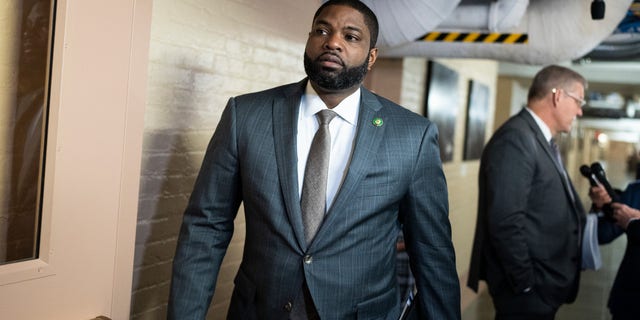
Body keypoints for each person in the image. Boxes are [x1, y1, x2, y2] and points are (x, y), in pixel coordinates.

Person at [168, 1, 460, 319]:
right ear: (309, 40)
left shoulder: (411, 136)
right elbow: (206, 227)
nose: (332, 41)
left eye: (351, 36)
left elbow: (432, 253)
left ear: (371, 56)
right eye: (322, 30)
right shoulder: (246, 116)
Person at [467, 65, 589, 319]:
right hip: (527, 290)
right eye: (578, 100)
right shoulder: (516, 139)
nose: (580, 110)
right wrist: (526, 284)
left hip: (541, 284)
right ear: (558, 96)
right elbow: (505, 221)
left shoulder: (538, 139)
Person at [590, 184, 640, 320]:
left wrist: (636, 221)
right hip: (630, 299)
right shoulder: (635, 190)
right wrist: (599, 207)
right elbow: (603, 234)